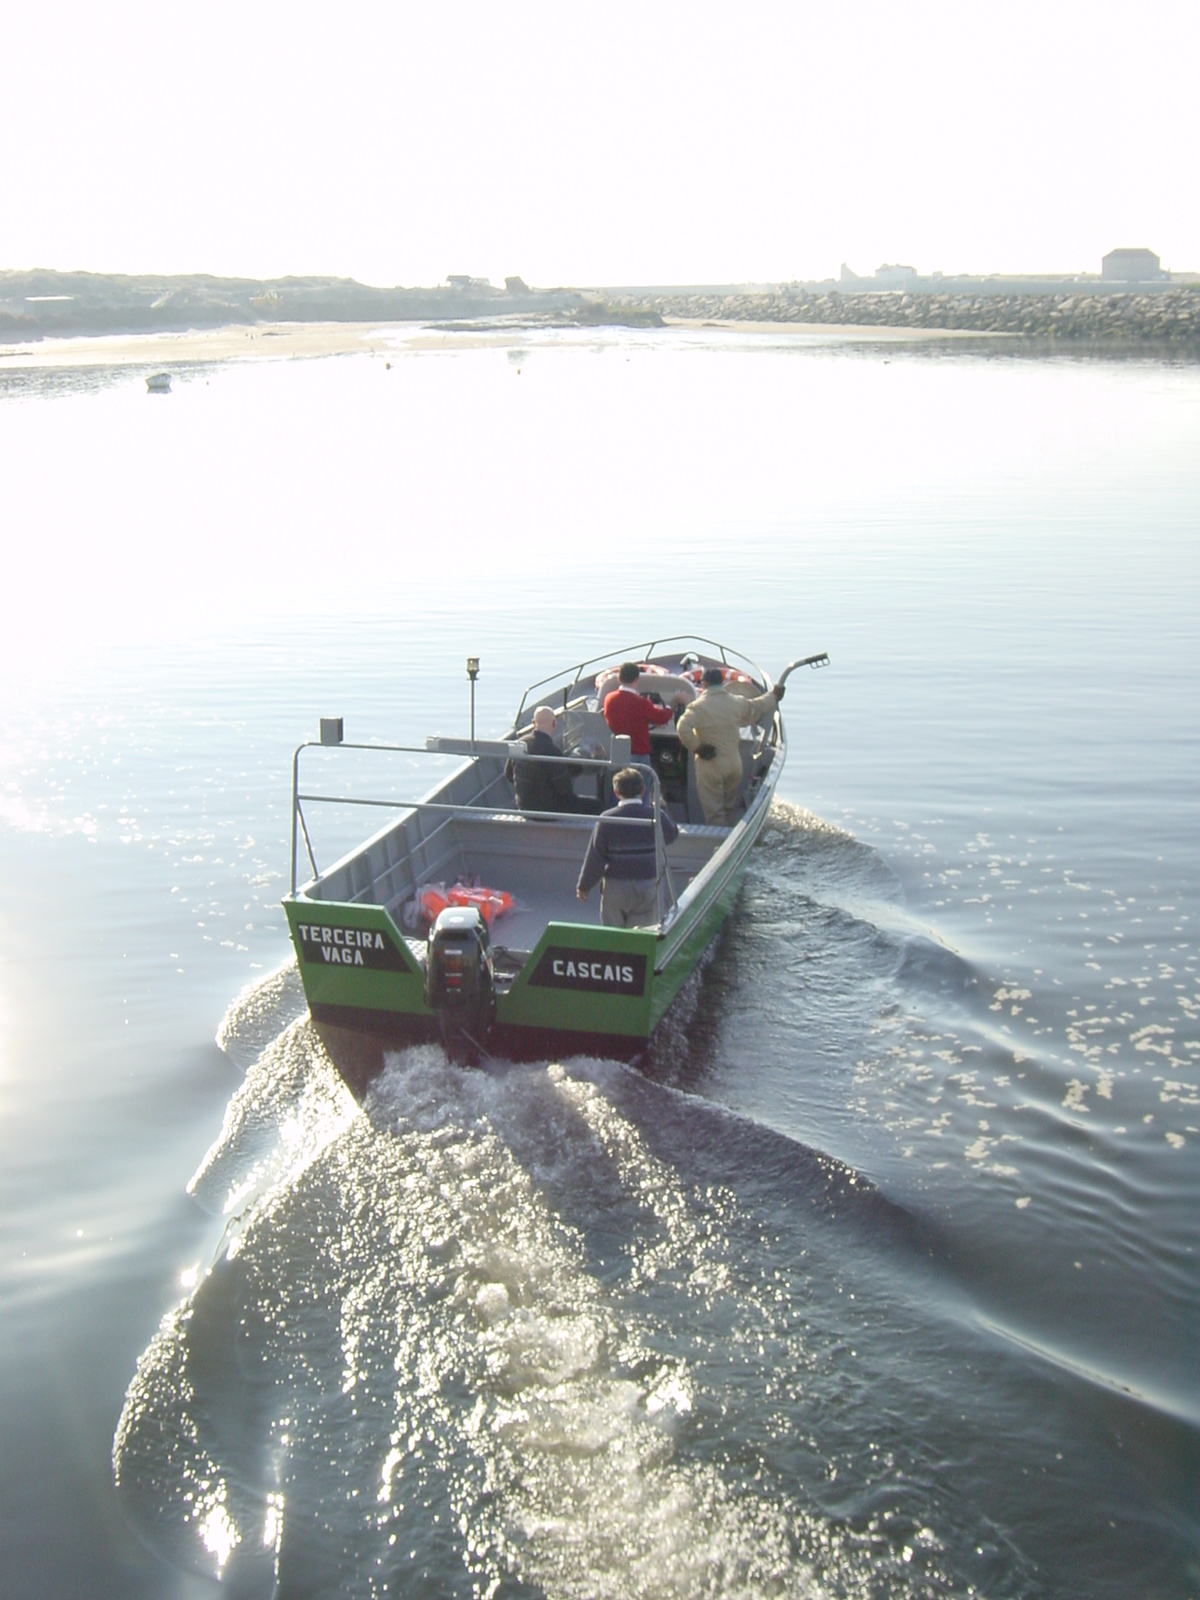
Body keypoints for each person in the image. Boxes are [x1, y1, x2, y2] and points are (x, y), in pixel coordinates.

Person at [676, 668, 784, 826]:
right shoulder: (737, 701)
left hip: (711, 765)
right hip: (734, 765)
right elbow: (758, 705)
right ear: (722, 682)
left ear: (704, 684)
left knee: (714, 813)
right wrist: (774, 695)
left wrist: (698, 747)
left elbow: (682, 727)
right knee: (728, 807)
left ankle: (719, 844)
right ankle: (733, 832)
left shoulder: (698, 707)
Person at [576, 766, 678, 928]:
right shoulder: (655, 815)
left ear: (617, 793)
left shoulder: (607, 819)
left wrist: (584, 885)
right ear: (643, 790)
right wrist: (662, 808)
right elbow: (671, 835)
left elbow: (596, 857)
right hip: (648, 883)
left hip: (616, 886)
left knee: (613, 935)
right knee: (643, 935)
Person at [505, 706, 600, 814]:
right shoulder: (552, 751)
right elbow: (564, 789)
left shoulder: (519, 744)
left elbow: (509, 775)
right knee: (597, 805)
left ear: (533, 723)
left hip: (524, 806)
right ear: (554, 723)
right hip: (549, 808)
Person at [603, 662, 688, 762]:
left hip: (617, 754)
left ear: (619, 679)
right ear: (637, 680)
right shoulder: (641, 703)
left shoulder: (609, 698)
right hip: (639, 755)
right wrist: (674, 701)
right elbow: (662, 718)